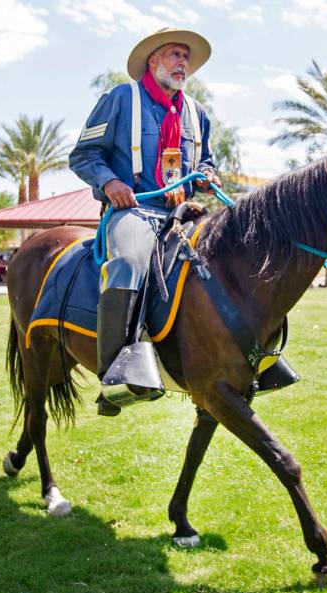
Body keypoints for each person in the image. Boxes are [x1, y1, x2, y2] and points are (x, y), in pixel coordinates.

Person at [70, 27, 222, 416]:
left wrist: (206, 174)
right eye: (174, 55)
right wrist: (110, 183)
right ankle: (114, 378)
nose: (182, 64)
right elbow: (83, 155)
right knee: (130, 261)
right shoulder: (122, 98)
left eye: (186, 58)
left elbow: (206, 161)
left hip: (181, 214)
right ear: (152, 61)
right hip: (135, 210)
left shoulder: (196, 112)